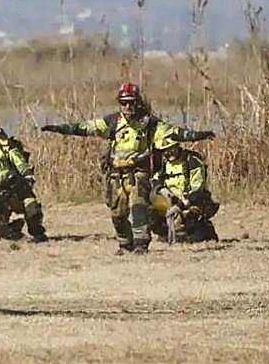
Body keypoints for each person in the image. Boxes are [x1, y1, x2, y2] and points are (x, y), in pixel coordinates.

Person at [41, 82, 214, 254]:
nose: (128, 106)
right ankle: (125, 245)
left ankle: (141, 245)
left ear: (138, 102)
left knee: (139, 207)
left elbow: (173, 132)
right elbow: (86, 127)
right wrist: (59, 129)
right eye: (124, 102)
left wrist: (197, 135)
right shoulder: (112, 121)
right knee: (118, 213)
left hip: (138, 173)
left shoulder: (148, 123)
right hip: (117, 175)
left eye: (131, 102)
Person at [0, 113, 48, 242]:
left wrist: (27, 176)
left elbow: (20, 162)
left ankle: (38, 234)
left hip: (15, 188)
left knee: (32, 209)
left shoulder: (7, 147)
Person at [149, 127, 219, 243]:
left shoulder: (192, 161)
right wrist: (164, 193)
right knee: (149, 212)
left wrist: (180, 206)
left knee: (192, 226)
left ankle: (205, 231)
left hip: (192, 201)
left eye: (171, 149)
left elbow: (198, 190)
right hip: (171, 201)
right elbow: (156, 180)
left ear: (177, 146)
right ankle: (166, 234)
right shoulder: (163, 163)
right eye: (164, 150)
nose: (168, 153)